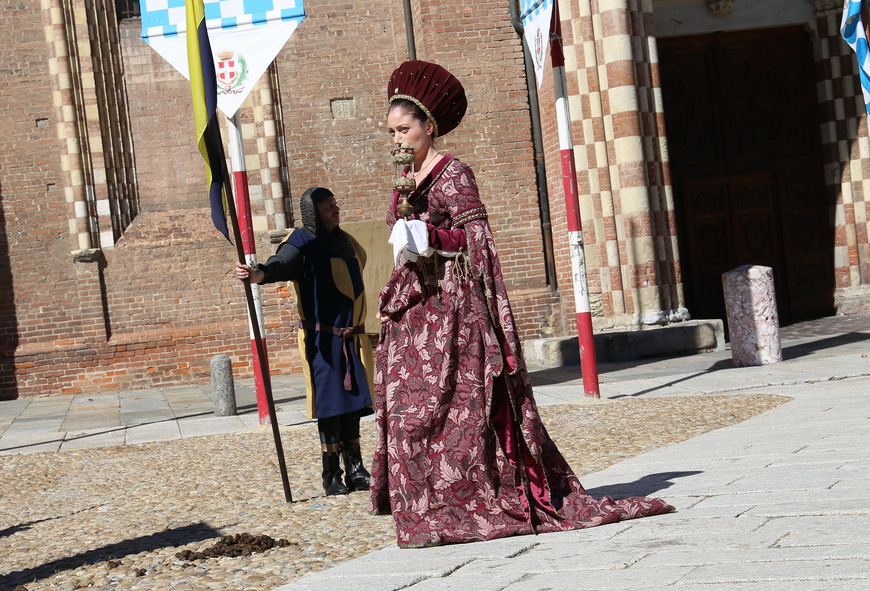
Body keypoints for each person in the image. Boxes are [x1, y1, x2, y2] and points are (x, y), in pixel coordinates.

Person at [370, 60, 674, 548]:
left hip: (454, 313)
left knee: (458, 411)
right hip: (415, 309)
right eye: (391, 132)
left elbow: (477, 241)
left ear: (430, 125)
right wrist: (405, 239)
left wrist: (433, 236)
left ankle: (478, 500)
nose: (398, 140)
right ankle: (424, 511)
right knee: (409, 412)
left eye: (405, 129)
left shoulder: (454, 172)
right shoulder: (405, 177)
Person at [236, 188, 374, 496]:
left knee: (352, 405)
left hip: (352, 337)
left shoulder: (346, 240)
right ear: (313, 213)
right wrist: (257, 274)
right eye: (329, 207)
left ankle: (355, 468)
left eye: (335, 204)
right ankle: (331, 474)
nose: (336, 210)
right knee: (330, 407)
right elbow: (279, 265)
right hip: (323, 341)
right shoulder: (301, 242)